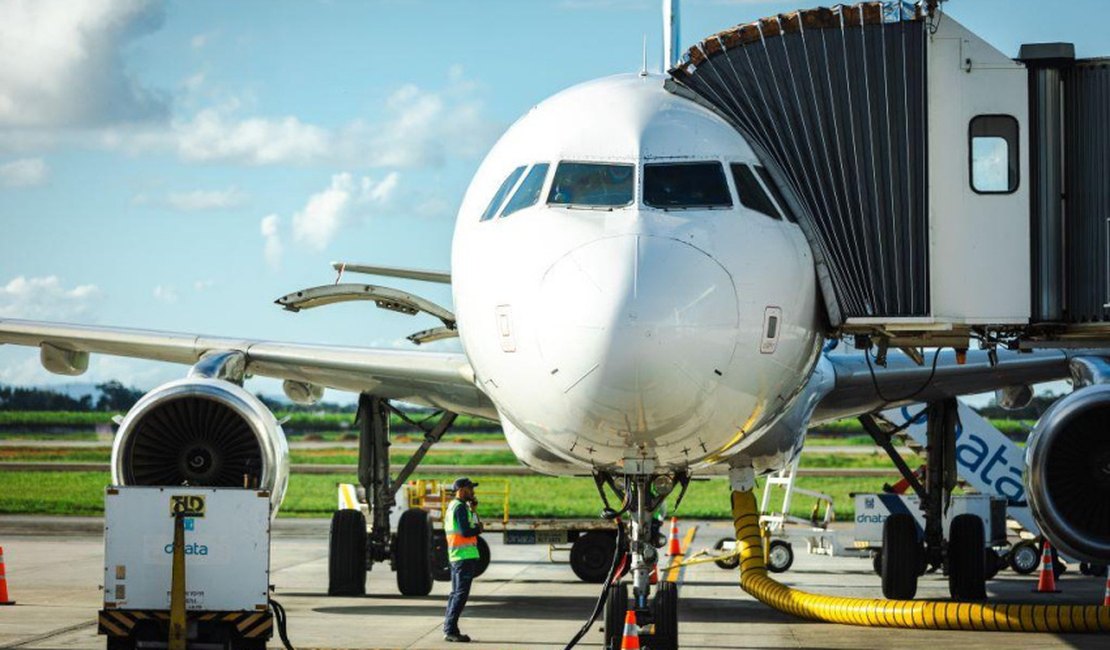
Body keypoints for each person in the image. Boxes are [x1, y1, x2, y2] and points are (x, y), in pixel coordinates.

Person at [443, 476, 483, 643]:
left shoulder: (460, 507)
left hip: (459, 556)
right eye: (470, 488)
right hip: (463, 557)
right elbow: (467, 531)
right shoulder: (459, 507)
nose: (473, 491)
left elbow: (473, 526)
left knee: (456, 594)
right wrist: (478, 529)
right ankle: (450, 630)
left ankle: (450, 628)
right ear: (461, 490)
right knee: (460, 594)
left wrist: (473, 511)